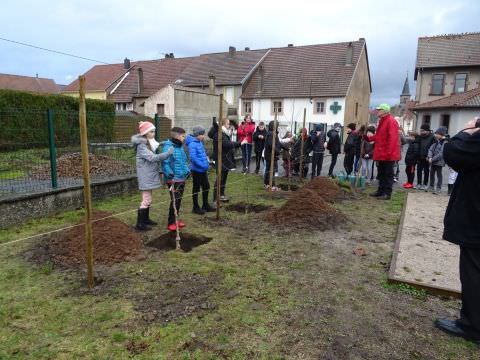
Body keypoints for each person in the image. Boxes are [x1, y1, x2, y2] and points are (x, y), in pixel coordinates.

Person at [435, 116, 480, 345]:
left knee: (473, 271)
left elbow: (453, 153)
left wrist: (467, 130)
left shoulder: (476, 138)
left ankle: (472, 325)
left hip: (476, 220)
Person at [131, 121, 173, 231]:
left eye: (154, 131)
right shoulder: (142, 146)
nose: (154, 134)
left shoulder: (148, 143)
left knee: (148, 199)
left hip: (148, 175)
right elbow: (152, 158)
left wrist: (165, 143)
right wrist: (167, 153)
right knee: (146, 200)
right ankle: (140, 224)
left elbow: (157, 144)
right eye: (151, 132)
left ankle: (146, 219)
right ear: (145, 133)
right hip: (145, 176)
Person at [366, 104, 400, 200]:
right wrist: (368, 138)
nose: (377, 111)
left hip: (388, 154)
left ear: (385, 111)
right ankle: (380, 191)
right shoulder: (382, 121)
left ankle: (387, 193)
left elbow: (393, 139)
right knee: (381, 174)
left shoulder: (391, 121)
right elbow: (379, 136)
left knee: (388, 174)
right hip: (382, 153)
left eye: (379, 110)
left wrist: (389, 153)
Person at [162, 127, 190, 231]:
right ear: (177, 136)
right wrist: (169, 173)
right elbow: (165, 162)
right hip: (173, 179)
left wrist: (187, 171)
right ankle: (171, 222)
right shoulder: (168, 147)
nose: (184, 138)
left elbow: (184, 161)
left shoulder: (180, 147)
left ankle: (175, 219)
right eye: (183, 136)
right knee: (175, 200)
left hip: (181, 178)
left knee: (179, 200)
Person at [185, 125, 215, 215]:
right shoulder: (192, 144)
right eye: (202, 134)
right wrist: (203, 165)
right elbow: (193, 158)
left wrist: (207, 161)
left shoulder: (199, 142)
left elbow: (202, 154)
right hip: (197, 170)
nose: (203, 136)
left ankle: (205, 205)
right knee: (196, 188)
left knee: (206, 186)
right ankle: (195, 207)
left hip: (203, 169)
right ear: (197, 134)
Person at [208, 118, 240, 202]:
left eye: (229, 124)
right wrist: (240, 143)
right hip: (220, 159)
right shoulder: (219, 134)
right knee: (219, 179)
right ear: (222, 125)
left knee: (224, 178)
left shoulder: (224, 133)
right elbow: (227, 144)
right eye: (227, 124)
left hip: (225, 159)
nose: (229, 126)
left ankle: (221, 195)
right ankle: (215, 199)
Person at [427, 126, 447, 194]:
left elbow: (441, 153)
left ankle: (438, 188)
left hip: (439, 162)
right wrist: (429, 157)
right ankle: (431, 186)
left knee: (439, 175)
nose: (435, 135)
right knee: (431, 174)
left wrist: (432, 159)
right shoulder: (436, 141)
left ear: (441, 134)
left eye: (437, 134)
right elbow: (430, 149)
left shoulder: (445, 142)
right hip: (432, 161)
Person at [416, 124, 435, 190]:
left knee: (426, 171)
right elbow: (417, 146)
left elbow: (433, 148)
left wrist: (429, 156)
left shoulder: (432, 137)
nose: (421, 132)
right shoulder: (420, 137)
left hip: (427, 157)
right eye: (421, 130)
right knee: (419, 170)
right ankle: (419, 183)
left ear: (427, 131)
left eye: (423, 130)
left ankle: (425, 184)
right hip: (419, 156)